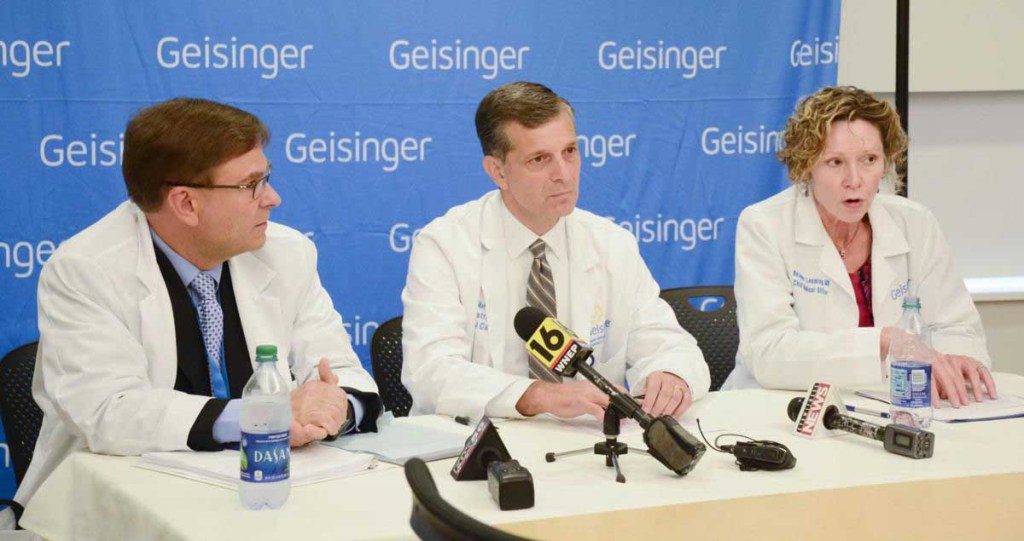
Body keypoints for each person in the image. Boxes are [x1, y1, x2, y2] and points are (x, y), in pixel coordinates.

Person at [7, 98, 382, 523]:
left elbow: (341, 371)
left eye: (267, 178)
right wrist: (260, 417)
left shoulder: (287, 253)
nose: (273, 198)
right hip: (123, 506)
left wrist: (335, 408)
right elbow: (110, 411)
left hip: (267, 495)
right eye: (251, 185)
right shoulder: (86, 269)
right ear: (185, 202)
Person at [401, 81, 710, 422]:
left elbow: (667, 343)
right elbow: (430, 372)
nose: (563, 174)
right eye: (539, 159)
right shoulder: (445, 245)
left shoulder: (611, 244)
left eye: (570, 151)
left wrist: (670, 373)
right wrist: (538, 395)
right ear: (498, 171)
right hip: (476, 441)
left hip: (582, 442)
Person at [723, 86, 998, 406]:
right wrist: (884, 341)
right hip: (781, 408)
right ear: (806, 166)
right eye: (835, 162)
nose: (854, 180)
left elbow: (956, 325)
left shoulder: (915, 223)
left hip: (889, 404)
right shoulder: (764, 225)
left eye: (869, 160)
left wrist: (959, 358)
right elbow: (769, 353)